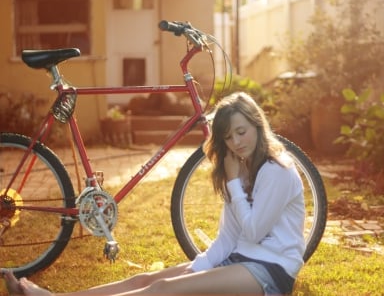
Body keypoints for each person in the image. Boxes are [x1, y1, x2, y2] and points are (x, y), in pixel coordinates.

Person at [2, 92, 306, 295]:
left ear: (257, 125)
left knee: (161, 290)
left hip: (270, 272)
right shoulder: (240, 168)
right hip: (238, 260)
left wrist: (233, 184)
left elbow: (253, 234)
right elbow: (228, 238)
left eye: (242, 132)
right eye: (228, 137)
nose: (236, 142)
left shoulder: (276, 170)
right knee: (146, 280)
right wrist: (195, 270)